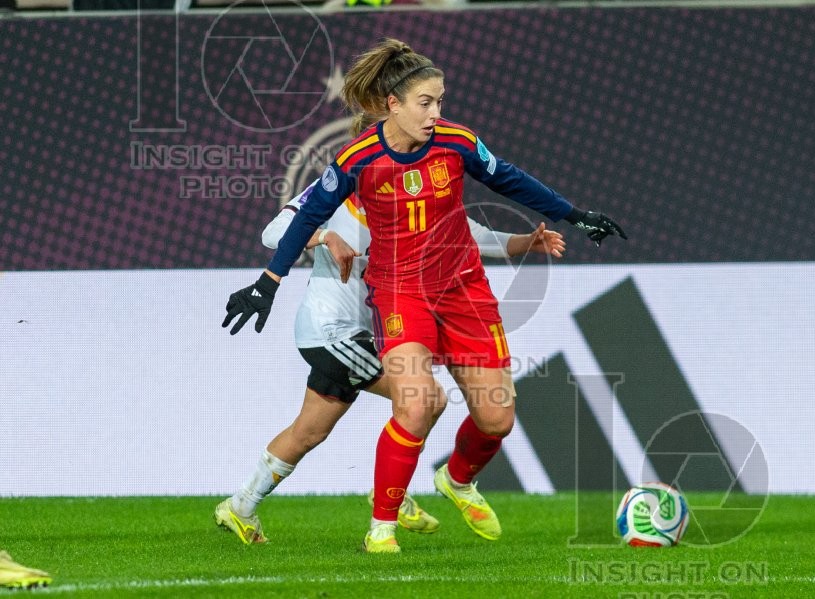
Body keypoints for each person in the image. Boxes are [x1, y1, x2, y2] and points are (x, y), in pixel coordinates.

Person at [222, 38, 626, 553]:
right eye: (426, 103)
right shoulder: (356, 164)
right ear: (392, 106)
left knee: (491, 418)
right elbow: (294, 222)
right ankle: (383, 523)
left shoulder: (456, 144)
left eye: (440, 102)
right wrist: (272, 280)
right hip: (382, 304)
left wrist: (572, 216)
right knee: (420, 401)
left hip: (458, 293)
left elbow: (504, 187)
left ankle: (447, 481)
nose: (436, 113)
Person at [215, 151, 566, 546]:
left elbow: (474, 236)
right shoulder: (337, 191)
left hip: (361, 334)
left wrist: (526, 244)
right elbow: (274, 231)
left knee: (308, 432)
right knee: (425, 398)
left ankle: (240, 506)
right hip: (333, 332)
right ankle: (391, 498)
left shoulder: (416, 200)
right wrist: (325, 236)